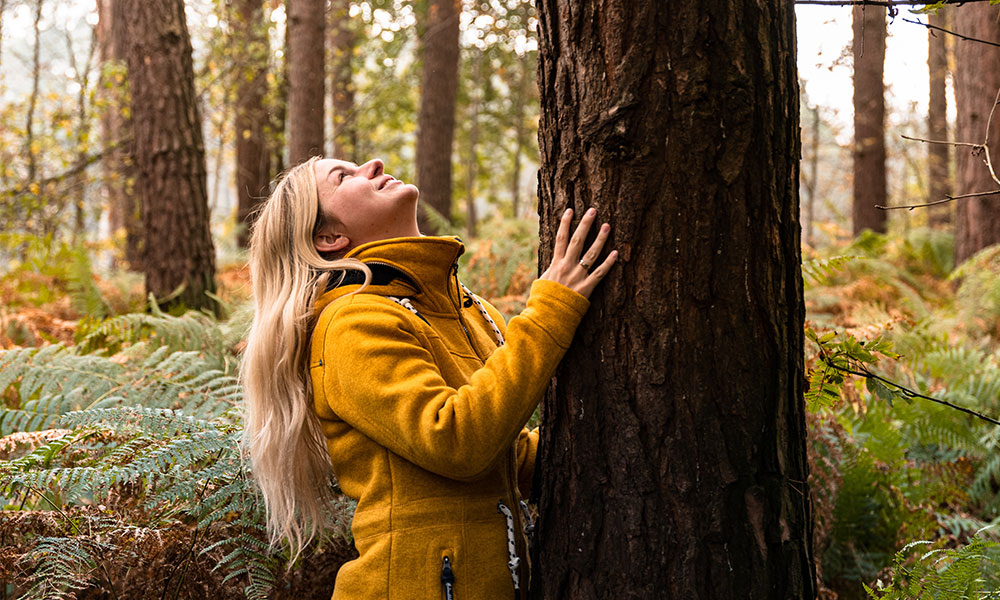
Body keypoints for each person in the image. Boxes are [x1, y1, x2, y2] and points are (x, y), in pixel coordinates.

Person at [241, 156, 617, 599]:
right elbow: (456, 440)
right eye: (344, 177)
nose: (373, 164)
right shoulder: (352, 324)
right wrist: (552, 310)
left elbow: (505, 458)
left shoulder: (469, 309)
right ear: (330, 238)